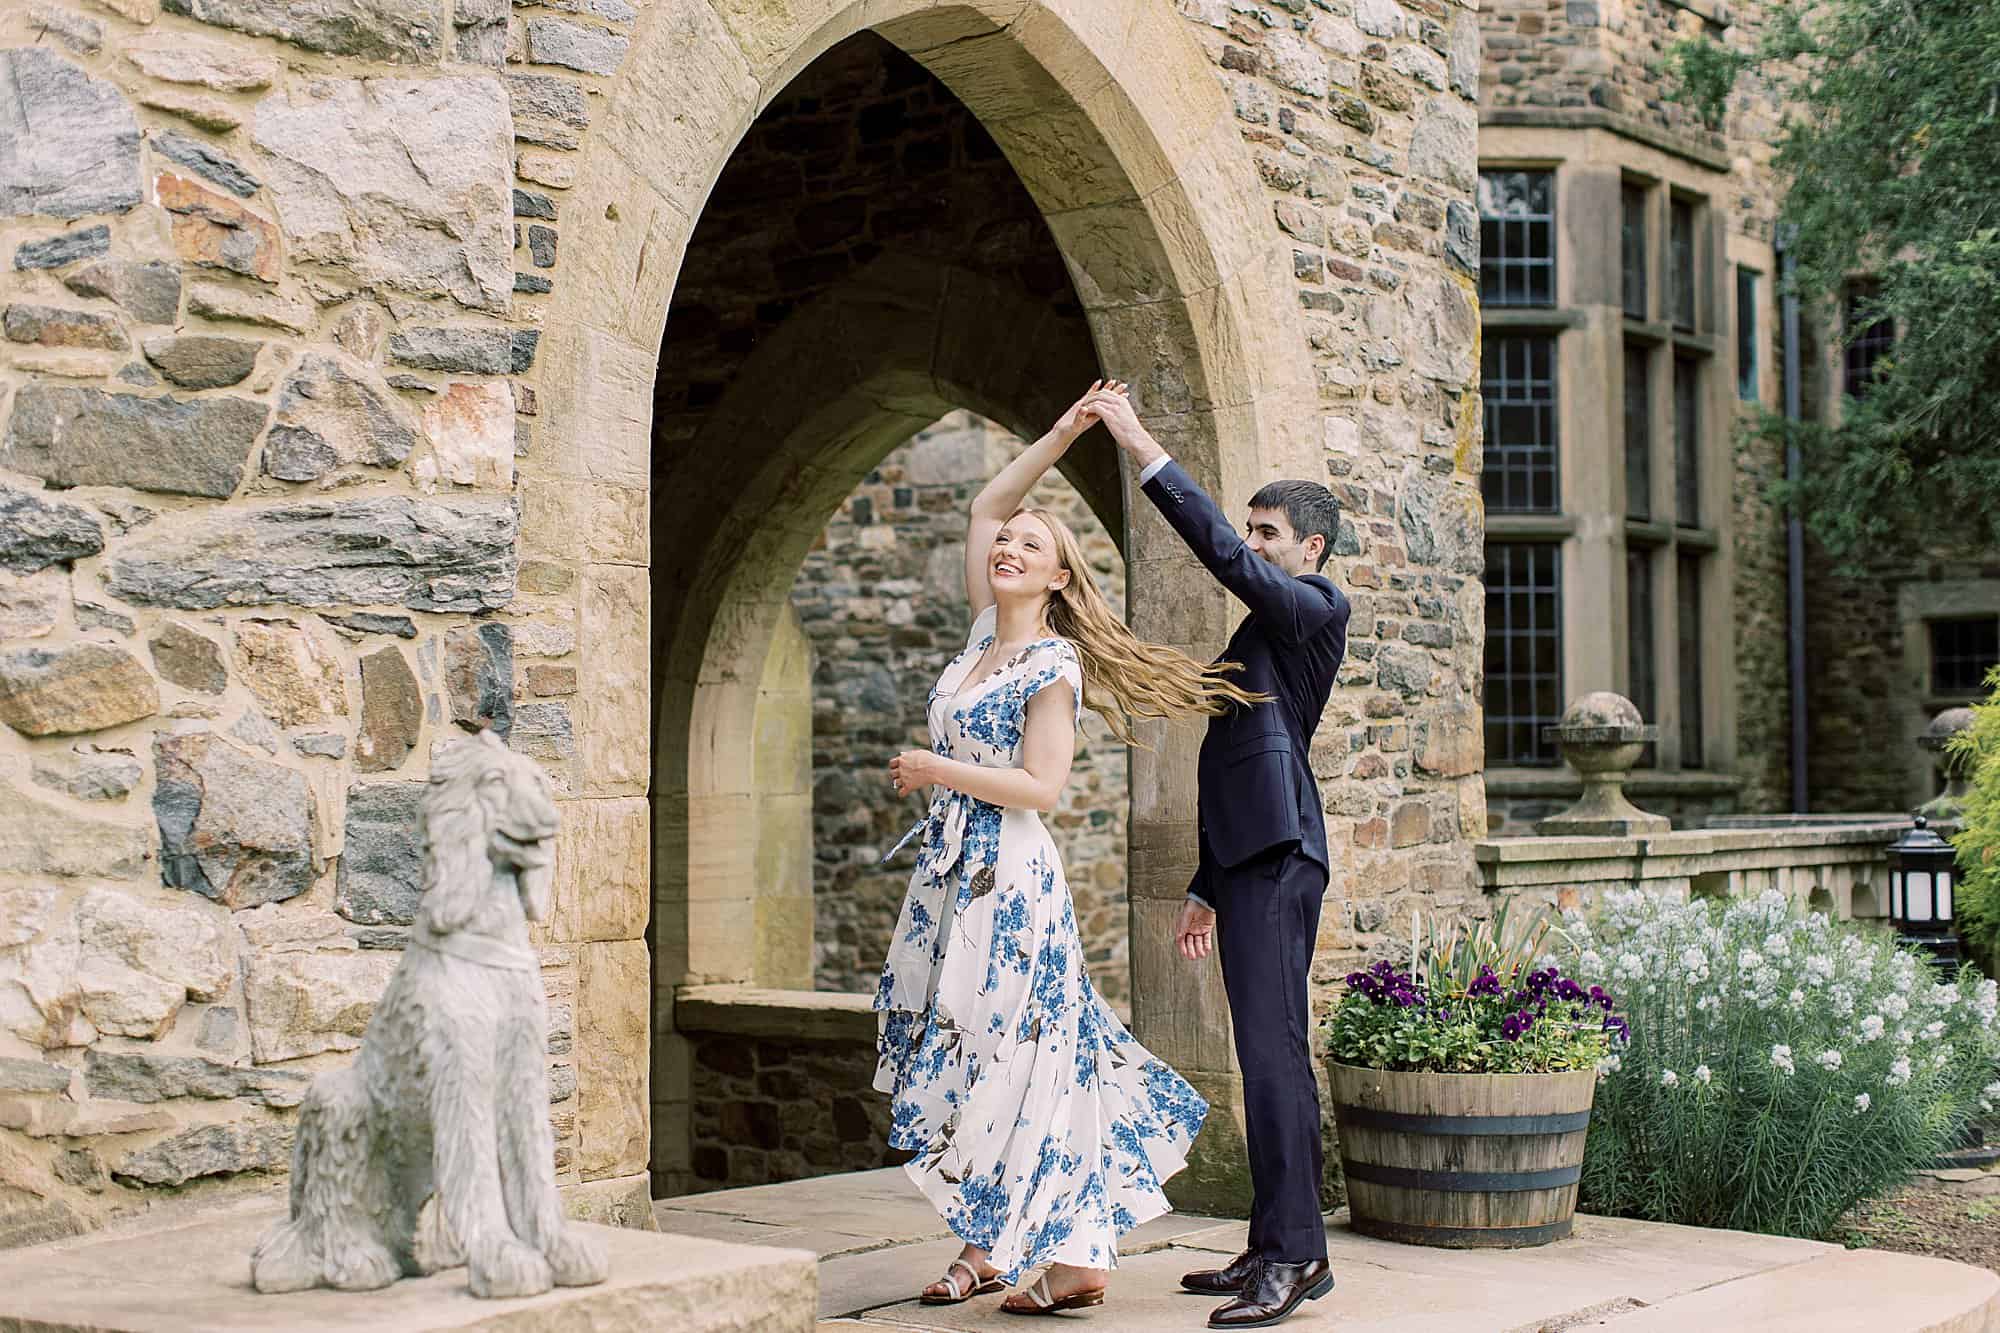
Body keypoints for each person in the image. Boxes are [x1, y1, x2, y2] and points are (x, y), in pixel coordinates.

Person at [872, 383, 1263, 1316]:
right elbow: (982, 502)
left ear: (1058, 578)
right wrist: (1063, 431)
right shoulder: (978, 643)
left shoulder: (1052, 663)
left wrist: (937, 767)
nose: (1006, 546)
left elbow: (1043, 790)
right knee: (969, 1059)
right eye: (1008, 541)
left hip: (1009, 882)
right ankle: (994, 1243)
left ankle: (1068, 1254)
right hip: (949, 879)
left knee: (1020, 1059)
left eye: (1031, 545)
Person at [1079, 382, 1350, 1330]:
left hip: (1282, 856)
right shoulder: (1270, 631)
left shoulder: (1314, 606)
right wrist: (1203, 883)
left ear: (1308, 548)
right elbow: (1233, 759)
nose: (1255, 542)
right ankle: (1271, 1242)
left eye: (1267, 532)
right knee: (1260, 1053)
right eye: (1255, 530)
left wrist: (1140, 442)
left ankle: (1299, 1257)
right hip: (1247, 858)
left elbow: (1224, 559)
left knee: (1274, 1058)